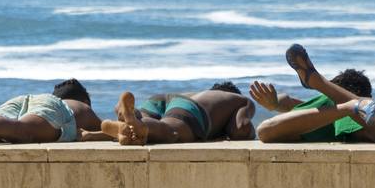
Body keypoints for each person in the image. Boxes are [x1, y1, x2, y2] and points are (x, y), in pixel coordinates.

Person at [250, 44, 375, 144]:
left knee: (264, 131)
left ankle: (320, 83)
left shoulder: (332, 109)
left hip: (358, 110)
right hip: (359, 109)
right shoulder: (323, 106)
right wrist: (274, 104)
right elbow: (288, 101)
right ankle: (320, 83)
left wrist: (274, 104)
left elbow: (287, 102)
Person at [90, 82, 256, 146]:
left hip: (164, 99)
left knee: (141, 124)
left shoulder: (201, 94)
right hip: (188, 108)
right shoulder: (241, 100)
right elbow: (241, 128)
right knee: (171, 131)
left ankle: (122, 124)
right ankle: (138, 124)